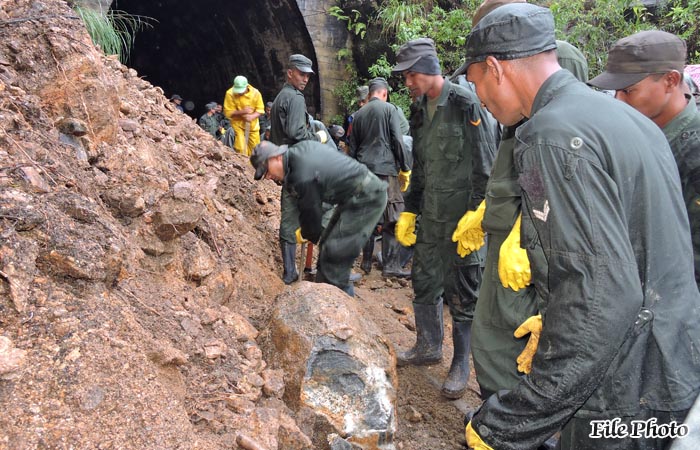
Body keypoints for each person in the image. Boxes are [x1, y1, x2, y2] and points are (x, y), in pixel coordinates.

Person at [462, 4, 700, 449]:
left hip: (622, 391)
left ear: (494, 68)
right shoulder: (625, 119)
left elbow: (600, 299)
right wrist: (556, 317)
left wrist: (513, 420)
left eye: (475, 83)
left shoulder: (548, 135)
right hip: (671, 367)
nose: (481, 99)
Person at [454, 0, 589, 423]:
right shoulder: (515, 98)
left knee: (517, 343)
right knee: (492, 333)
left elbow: (562, 160)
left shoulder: (556, 63)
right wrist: (489, 210)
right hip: (509, 232)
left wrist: (522, 227)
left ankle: (519, 426)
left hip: (534, 247)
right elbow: (517, 157)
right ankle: (497, 416)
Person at [391, 38, 497, 399]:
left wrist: (479, 214)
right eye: (404, 77)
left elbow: (487, 164)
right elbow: (419, 168)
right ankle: (428, 346)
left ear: (428, 69)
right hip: (431, 219)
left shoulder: (465, 102)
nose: (407, 83)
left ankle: (460, 364)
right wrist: (409, 208)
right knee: (423, 280)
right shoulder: (420, 109)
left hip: (462, 223)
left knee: (464, 291)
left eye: (410, 75)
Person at [588, 30, 700, 292]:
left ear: (671, 80)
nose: (619, 100)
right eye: (616, 91)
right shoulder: (635, 134)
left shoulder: (692, 149)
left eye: (629, 91)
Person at [250, 141, 386, 296]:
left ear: (276, 158)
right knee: (328, 247)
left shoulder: (301, 173)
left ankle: (339, 309)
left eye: (266, 171)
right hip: (351, 196)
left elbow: (311, 210)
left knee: (335, 254)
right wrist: (309, 229)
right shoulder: (297, 155)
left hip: (367, 197)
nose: (267, 177)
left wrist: (308, 231)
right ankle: (322, 297)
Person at [269, 54, 330, 285]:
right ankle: (330, 270)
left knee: (288, 217)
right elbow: (296, 133)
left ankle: (289, 272)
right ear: (290, 72)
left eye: (307, 75)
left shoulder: (280, 98)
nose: (305, 79)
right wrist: (319, 136)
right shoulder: (295, 99)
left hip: (287, 166)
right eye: (301, 73)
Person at [348, 77, 412, 278]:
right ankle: (391, 266)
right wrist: (405, 168)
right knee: (392, 218)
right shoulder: (389, 109)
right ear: (384, 93)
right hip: (386, 171)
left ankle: (366, 263)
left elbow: (353, 147)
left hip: (364, 171)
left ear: (369, 94)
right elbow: (398, 141)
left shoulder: (358, 114)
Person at [223, 75, 265, 156]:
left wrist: (252, 116)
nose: (239, 92)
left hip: (252, 126)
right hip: (238, 125)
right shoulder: (230, 93)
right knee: (240, 147)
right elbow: (228, 112)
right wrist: (242, 112)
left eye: (241, 90)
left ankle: (253, 167)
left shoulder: (256, 93)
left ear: (247, 86)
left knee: (255, 150)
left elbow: (260, 110)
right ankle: (243, 166)